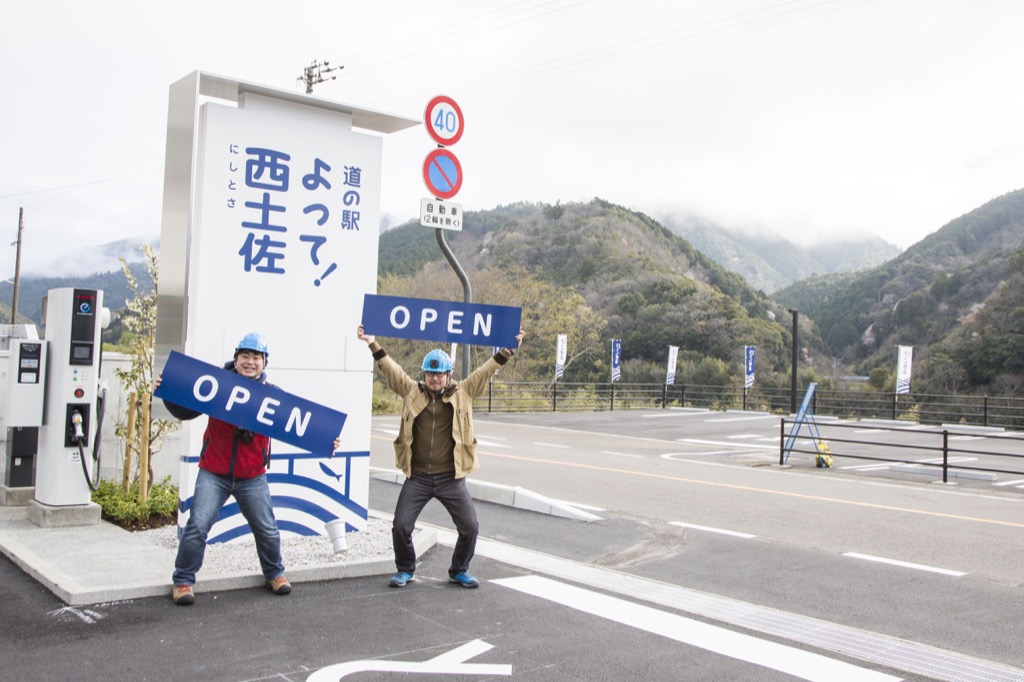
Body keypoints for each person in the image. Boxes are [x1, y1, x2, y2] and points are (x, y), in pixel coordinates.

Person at [158, 332, 338, 606]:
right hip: (213, 473)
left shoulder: (273, 396)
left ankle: (275, 575)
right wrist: (168, 392)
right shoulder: (217, 385)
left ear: (264, 362)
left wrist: (327, 439)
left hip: (252, 476)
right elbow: (185, 410)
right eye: (245, 356)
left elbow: (300, 426)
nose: (250, 362)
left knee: (267, 529)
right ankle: (183, 581)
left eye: (256, 357)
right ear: (236, 359)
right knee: (197, 526)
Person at [357, 324, 524, 589]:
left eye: (440, 374)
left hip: (451, 478)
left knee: (470, 527)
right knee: (401, 526)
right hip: (419, 477)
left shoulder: (464, 392)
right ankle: (405, 568)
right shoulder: (412, 391)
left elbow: (487, 369)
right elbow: (391, 369)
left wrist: (508, 351)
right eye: (430, 374)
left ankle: (459, 569)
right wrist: (372, 343)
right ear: (424, 375)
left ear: (449, 375)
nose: (435, 379)